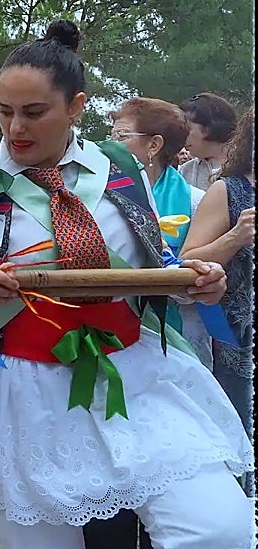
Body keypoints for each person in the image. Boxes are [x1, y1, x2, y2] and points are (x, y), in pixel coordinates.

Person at [0, 20, 252, 548]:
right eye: (4, 111)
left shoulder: (119, 170)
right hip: (25, 392)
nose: (14, 128)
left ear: (76, 107)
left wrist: (193, 283)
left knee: (217, 530)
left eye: (33, 112)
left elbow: (153, 271)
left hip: (133, 376)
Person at [181, 105, 255, 497]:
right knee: (241, 453)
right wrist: (235, 237)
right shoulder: (229, 191)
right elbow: (189, 264)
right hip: (238, 350)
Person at [107, 97, 210, 363]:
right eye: (111, 134)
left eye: (121, 135)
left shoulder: (195, 202)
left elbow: (200, 281)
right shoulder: (99, 196)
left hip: (175, 333)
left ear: (154, 144)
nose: (109, 144)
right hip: (108, 331)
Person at [179, 92, 238, 190]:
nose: (182, 135)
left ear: (209, 127)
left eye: (187, 128)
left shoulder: (246, 166)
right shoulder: (186, 171)